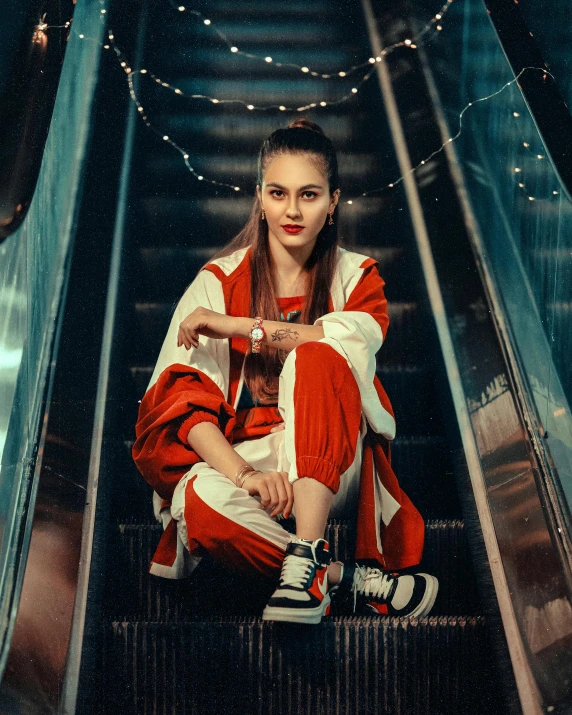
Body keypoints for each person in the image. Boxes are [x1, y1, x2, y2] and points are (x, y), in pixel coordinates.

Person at [132, 117, 439, 625]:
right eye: (278, 193)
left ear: (334, 201)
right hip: (254, 460)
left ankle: (308, 546)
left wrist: (236, 326)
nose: (292, 211)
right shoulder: (216, 280)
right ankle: (338, 577)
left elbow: (331, 340)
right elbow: (182, 406)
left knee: (317, 356)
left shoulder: (358, 277)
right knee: (198, 499)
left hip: (333, 467)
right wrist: (245, 475)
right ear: (259, 197)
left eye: (310, 195)